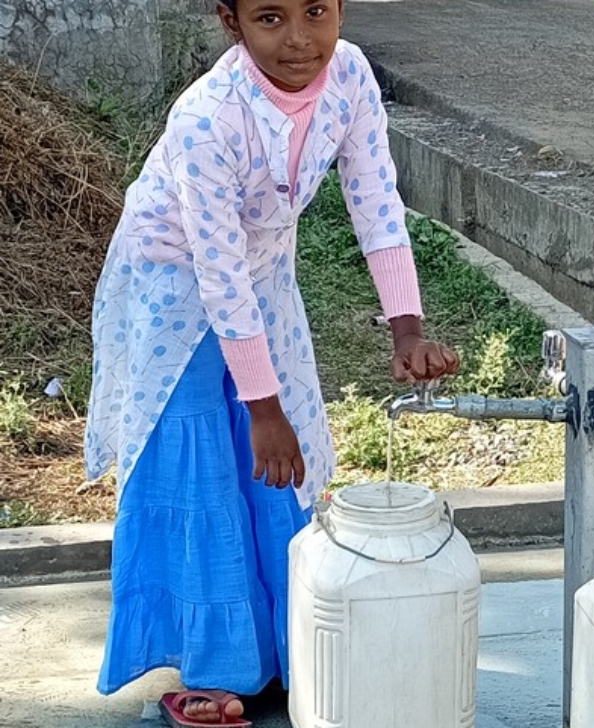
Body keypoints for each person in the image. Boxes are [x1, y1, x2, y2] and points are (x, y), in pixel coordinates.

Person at [83, 0, 459, 723]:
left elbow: (376, 195)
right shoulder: (207, 118)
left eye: (317, 11)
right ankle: (214, 668)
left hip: (261, 270)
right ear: (231, 23)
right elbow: (215, 275)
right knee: (201, 463)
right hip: (172, 281)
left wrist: (407, 330)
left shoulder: (349, 74)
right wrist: (263, 407)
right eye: (270, 18)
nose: (299, 40)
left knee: (281, 473)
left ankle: (289, 649)